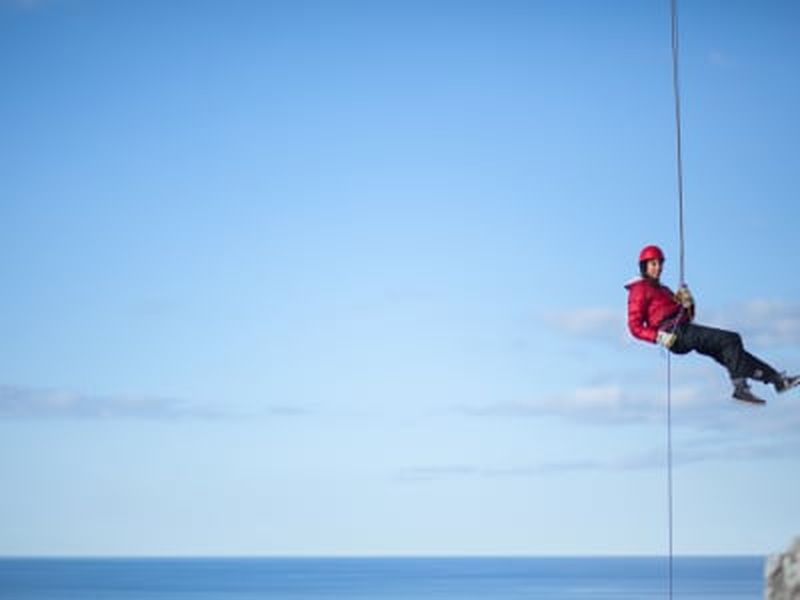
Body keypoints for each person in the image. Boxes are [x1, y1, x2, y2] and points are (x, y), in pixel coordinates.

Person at [626, 244, 799, 404]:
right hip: (674, 334)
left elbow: (688, 316)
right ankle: (740, 389)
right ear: (644, 266)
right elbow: (634, 326)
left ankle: (777, 380)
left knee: (734, 356)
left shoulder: (663, 290)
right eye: (653, 264)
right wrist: (658, 337)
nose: (658, 268)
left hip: (684, 329)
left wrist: (688, 303)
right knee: (731, 339)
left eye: (660, 263)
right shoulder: (639, 289)